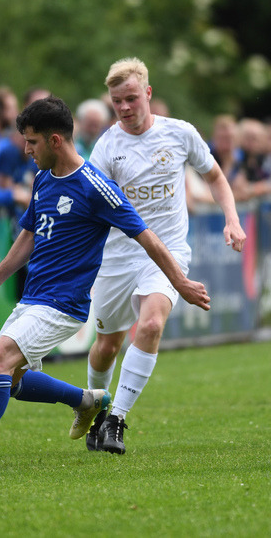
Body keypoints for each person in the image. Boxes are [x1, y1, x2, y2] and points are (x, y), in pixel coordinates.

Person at [0, 96, 211, 472]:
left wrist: (180, 283)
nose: (26, 149)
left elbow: (147, 237)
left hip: (63, 303)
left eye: (32, 141)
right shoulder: (43, 178)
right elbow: (28, 236)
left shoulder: (95, 187)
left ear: (55, 141)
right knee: (13, 379)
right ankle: (86, 400)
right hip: (33, 297)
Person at [81, 57, 246, 455]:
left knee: (152, 324)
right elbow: (89, 204)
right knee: (106, 345)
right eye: (117, 101)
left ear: (148, 94)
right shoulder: (107, 146)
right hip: (118, 256)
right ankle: (98, 412)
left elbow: (215, 177)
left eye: (131, 98)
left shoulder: (180, 133)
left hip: (167, 252)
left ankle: (117, 419)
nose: (124, 108)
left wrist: (232, 219)